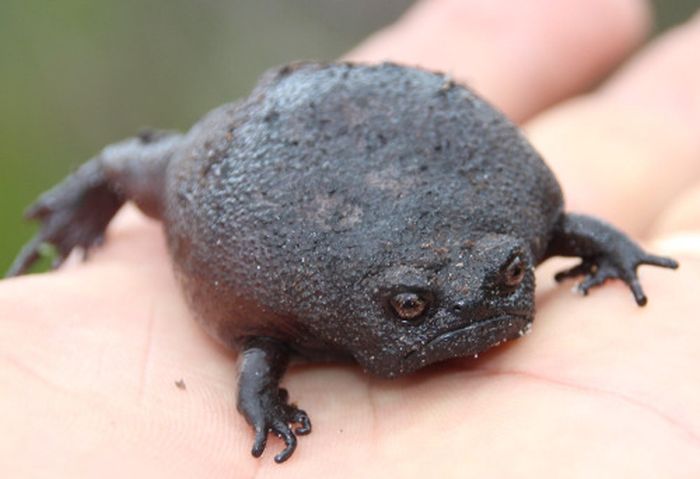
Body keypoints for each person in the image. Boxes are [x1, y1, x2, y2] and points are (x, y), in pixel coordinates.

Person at [2, 0, 699, 476]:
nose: (472, 305)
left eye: (510, 279)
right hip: (242, 155)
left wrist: (620, 252)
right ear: (379, 305)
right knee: (153, 164)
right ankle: (93, 183)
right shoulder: (281, 298)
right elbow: (257, 357)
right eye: (412, 306)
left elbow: (567, 229)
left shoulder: (513, 221)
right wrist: (266, 407)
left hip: (405, 137)